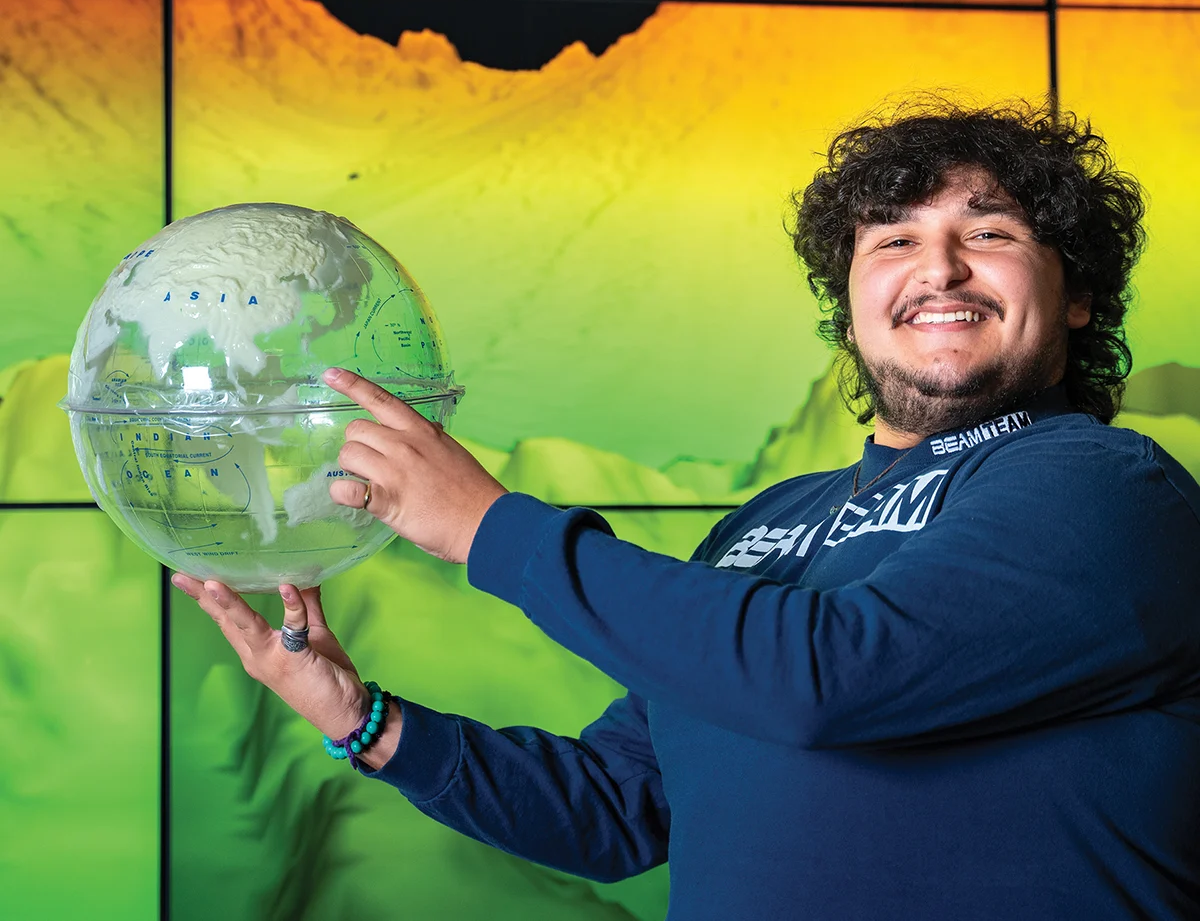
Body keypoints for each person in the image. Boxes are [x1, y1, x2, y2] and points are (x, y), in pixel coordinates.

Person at [174, 100, 1200, 920]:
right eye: (893, 239)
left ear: (1075, 296)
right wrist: (362, 721)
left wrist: (492, 528)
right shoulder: (766, 526)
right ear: (847, 301)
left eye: (989, 233)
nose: (938, 268)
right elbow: (622, 809)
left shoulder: (1110, 491)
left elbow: (829, 679)